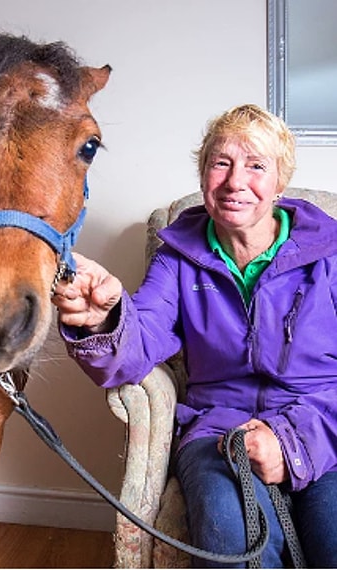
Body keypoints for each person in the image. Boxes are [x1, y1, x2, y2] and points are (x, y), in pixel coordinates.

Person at [52, 104, 337, 567]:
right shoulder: (178, 256)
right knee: (233, 543)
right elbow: (139, 344)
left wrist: (292, 442)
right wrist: (103, 318)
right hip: (217, 430)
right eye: (220, 162)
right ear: (203, 174)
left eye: (256, 166)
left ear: (280, 184)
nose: (234, 181)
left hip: (322, 424)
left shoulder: (330, 253)